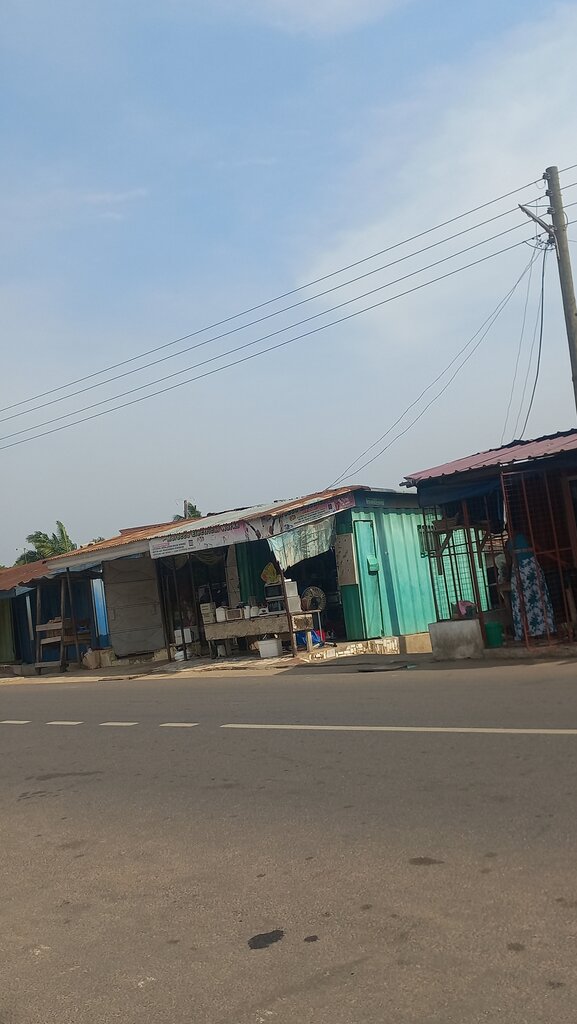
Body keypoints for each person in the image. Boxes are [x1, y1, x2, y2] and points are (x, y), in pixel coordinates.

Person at [506, 532, 555, 641]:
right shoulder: (524, 537)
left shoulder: (509, 543)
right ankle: (544, 630)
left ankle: (526, 633)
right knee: (539, 599)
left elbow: (509, 561)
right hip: (530, 569)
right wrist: (558, 560)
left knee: (522, 602)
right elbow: (541, 550)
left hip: (518, 571)